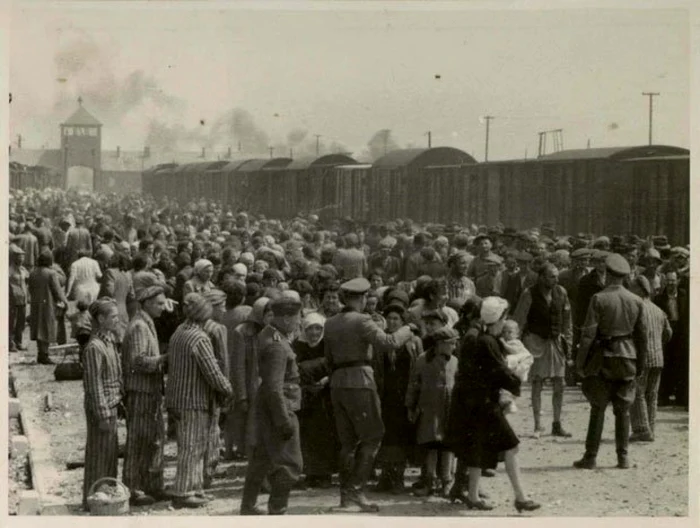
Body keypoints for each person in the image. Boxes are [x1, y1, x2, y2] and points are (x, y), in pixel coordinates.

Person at [324, 277, 415, 512]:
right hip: (360, 382)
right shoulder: (362, 320)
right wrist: (408, 329)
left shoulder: (331, 322)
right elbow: (389, 342)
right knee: (373, 436)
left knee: (347, 442)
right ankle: (355, 491)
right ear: (362, 298)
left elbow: (329, 358)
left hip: (337, 383)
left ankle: (346, 496)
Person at [445, 296, 540, 512]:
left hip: (475, 404)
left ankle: (473, 495)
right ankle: (520, 497)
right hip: (486, 405)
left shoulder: (480, 338)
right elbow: (500, 372)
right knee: (511, 446)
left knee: (477, 448)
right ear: (498, 319)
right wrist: (516, 380)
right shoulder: (488, 342)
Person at [574, 254, 648, 470]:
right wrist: (640, 365)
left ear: (607, 274)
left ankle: (590, 457)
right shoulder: (636, 300)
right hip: (628, 358)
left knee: (598, 408)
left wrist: (580, 363)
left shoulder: (598, 298)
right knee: (623, 410)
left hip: (602, 358)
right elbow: (642, 337)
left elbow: (587, 336)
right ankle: (622, 457)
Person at [165, 293, 233, 508]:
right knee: (192, 448)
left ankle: (194, 488)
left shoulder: (179, 332)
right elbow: (212, 371)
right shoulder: (199, 338)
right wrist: (228, 388)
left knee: (189, 446)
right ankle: (184, 491)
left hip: (177, 397)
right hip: (193, 400)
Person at [240, 295, 304, 515]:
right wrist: (283, 421)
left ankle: (247, 508)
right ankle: (278, 511)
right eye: (297, 317)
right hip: (280, 407)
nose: (299, 322)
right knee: (290, 464)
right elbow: (275, 387)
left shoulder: (269, 334)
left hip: (267, 408)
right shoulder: (277, 345)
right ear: (286, 318)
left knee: (261, 459)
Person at [513, 263, 574, 438]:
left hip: (555, 342)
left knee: (559, 384)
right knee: (537, 383)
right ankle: (538, 425)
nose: (555, 280)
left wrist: (568, 344)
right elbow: (519, 320)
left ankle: (557, 423)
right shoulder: (529, 294)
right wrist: (518, 347)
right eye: (551, 276)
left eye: (556, 276)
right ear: (541, 277)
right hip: (536, 342)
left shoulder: (561, 292)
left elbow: (568, 321)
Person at [121, 285, 169, 506]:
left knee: (154, 439)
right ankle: (133, 488)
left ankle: (152, 484)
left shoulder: (147, 322)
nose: (163, 307)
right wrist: (164, 360)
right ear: (147, 303)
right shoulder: (139, 326)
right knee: (139, 441)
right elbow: (138, 360)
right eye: (159, 303)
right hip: (140, 392)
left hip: (150, 391)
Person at [373, 303, 422, 494]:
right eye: (390, 318)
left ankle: (398, 478)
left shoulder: (413, 341)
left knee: (402, 437)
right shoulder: (381, 341)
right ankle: (385, 477)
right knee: (386, 437)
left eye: (396, 319)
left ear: (403, 322)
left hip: (405, 395)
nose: (392, 322)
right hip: (386, 395)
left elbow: (418, 369)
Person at [405, 327, 459, 497]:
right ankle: (429, 479)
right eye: (451, 343)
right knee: (431, 445)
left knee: (448, 445)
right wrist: (410, 406)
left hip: (449, 409)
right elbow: (413, 384)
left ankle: (447, 480)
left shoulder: (455, 361)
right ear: (440, 344)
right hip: (429, 409)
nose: (454, 346)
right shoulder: (423, 360)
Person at [81, 298, 123, 511]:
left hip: (111, 404)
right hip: (102, 408)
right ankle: (93, 499)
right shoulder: (95, 347)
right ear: (101, 318)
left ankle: (105, 495)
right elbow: (94, 385)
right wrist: (103, 413)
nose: (117, 320)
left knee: (108, 454)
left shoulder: (109, 341)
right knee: (99, 454)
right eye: (113, 316)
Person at [293, 312, 338, 489]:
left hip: (326, 394)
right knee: (308, 434)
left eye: (318, 328)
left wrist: (326, 380)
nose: (314, 333)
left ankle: (325, 474)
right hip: (307, 396)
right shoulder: (298, 345)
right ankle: (311, 473)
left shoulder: (329, 345)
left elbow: (335, 366)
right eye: (310, 329)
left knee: (326, 433)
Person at [629, 276, 672, 442]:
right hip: (658, 357)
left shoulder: (637, 308)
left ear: (640, 289)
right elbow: (668, 333)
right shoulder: (658, 309)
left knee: (638, 392)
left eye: (633, 287)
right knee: (652, 394)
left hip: (642, 357)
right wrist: (658, 342)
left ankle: (641, 429)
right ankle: (650, 428)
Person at [201, 289, 230, 489]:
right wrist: (226, 387)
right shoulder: (217, 328)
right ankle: (209, 470)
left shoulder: (197, 326)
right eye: (222, 306)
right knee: (213, 427)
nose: (224, 310)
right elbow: (224, 360)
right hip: (215, 381)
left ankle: (206, 468)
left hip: (200, 383)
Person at [654, 269, 689, 408]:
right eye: (668, 280)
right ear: (664, 282)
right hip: (666, 334)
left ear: (678, 281)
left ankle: (681, 396)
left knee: (681, 365)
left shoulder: (685, 295)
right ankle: (664, 396)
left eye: (673, 280)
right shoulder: (658, 299)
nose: (670, 283)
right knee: (666, 364)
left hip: (681, 333)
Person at [28, 250, 68, 364]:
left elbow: (30, 288)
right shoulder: (51, 273)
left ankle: (41, 353)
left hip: (36, 303)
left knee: (38, 327)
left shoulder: (33, 272)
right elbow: (57, 290)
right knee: (46, 327)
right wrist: (65, 302)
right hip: (48, 304)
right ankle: (44, 355)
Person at [498, 320, 534, 414]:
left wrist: (504, 344)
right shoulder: (508, 341)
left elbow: (514, 351)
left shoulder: (516, 342)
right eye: (504, 332)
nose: (506, 334)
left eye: (510, 332)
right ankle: (510, 402)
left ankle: (510, 402)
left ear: (517, 334)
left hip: (521, 365)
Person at [9, 244, 29, 352]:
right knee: (12, 322)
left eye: (22, 257)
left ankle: (18, 342)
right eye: (19, 257)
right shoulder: (9, 270)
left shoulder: (23, 269)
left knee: (21, 322)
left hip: (23, 299)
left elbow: (27, 280)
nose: (21, 259)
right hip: (13, 300)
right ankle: (10, 343)